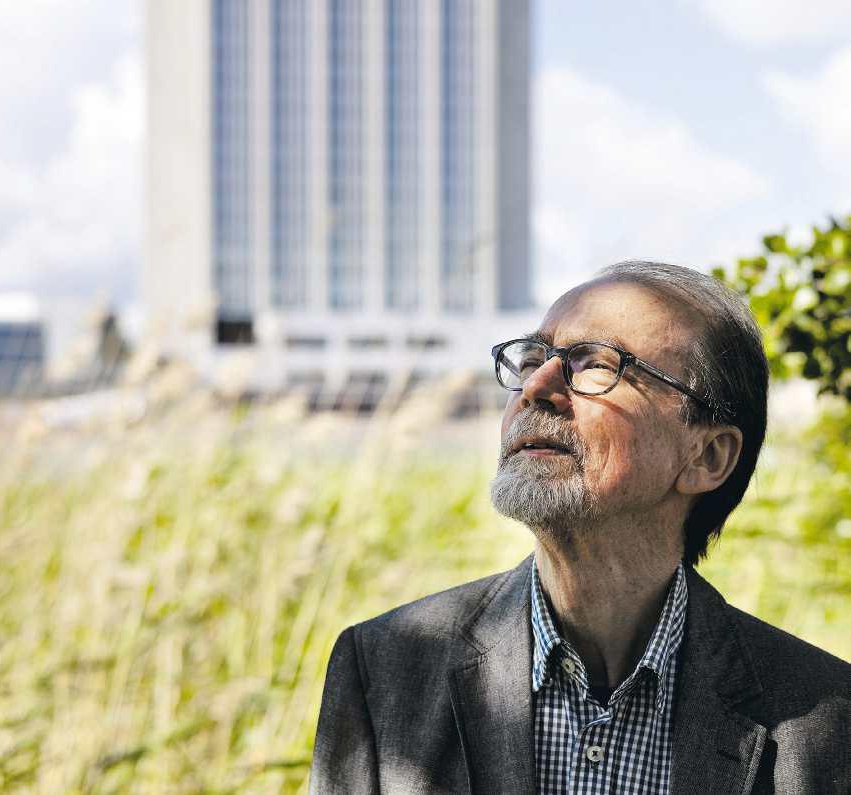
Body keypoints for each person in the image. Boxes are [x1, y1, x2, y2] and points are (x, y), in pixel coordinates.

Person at [311, 260, 851, 794]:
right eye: (532, 359)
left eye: (595, 363)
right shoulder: (383, 668)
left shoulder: (826, 720)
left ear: (707, 457)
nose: (536, 386)